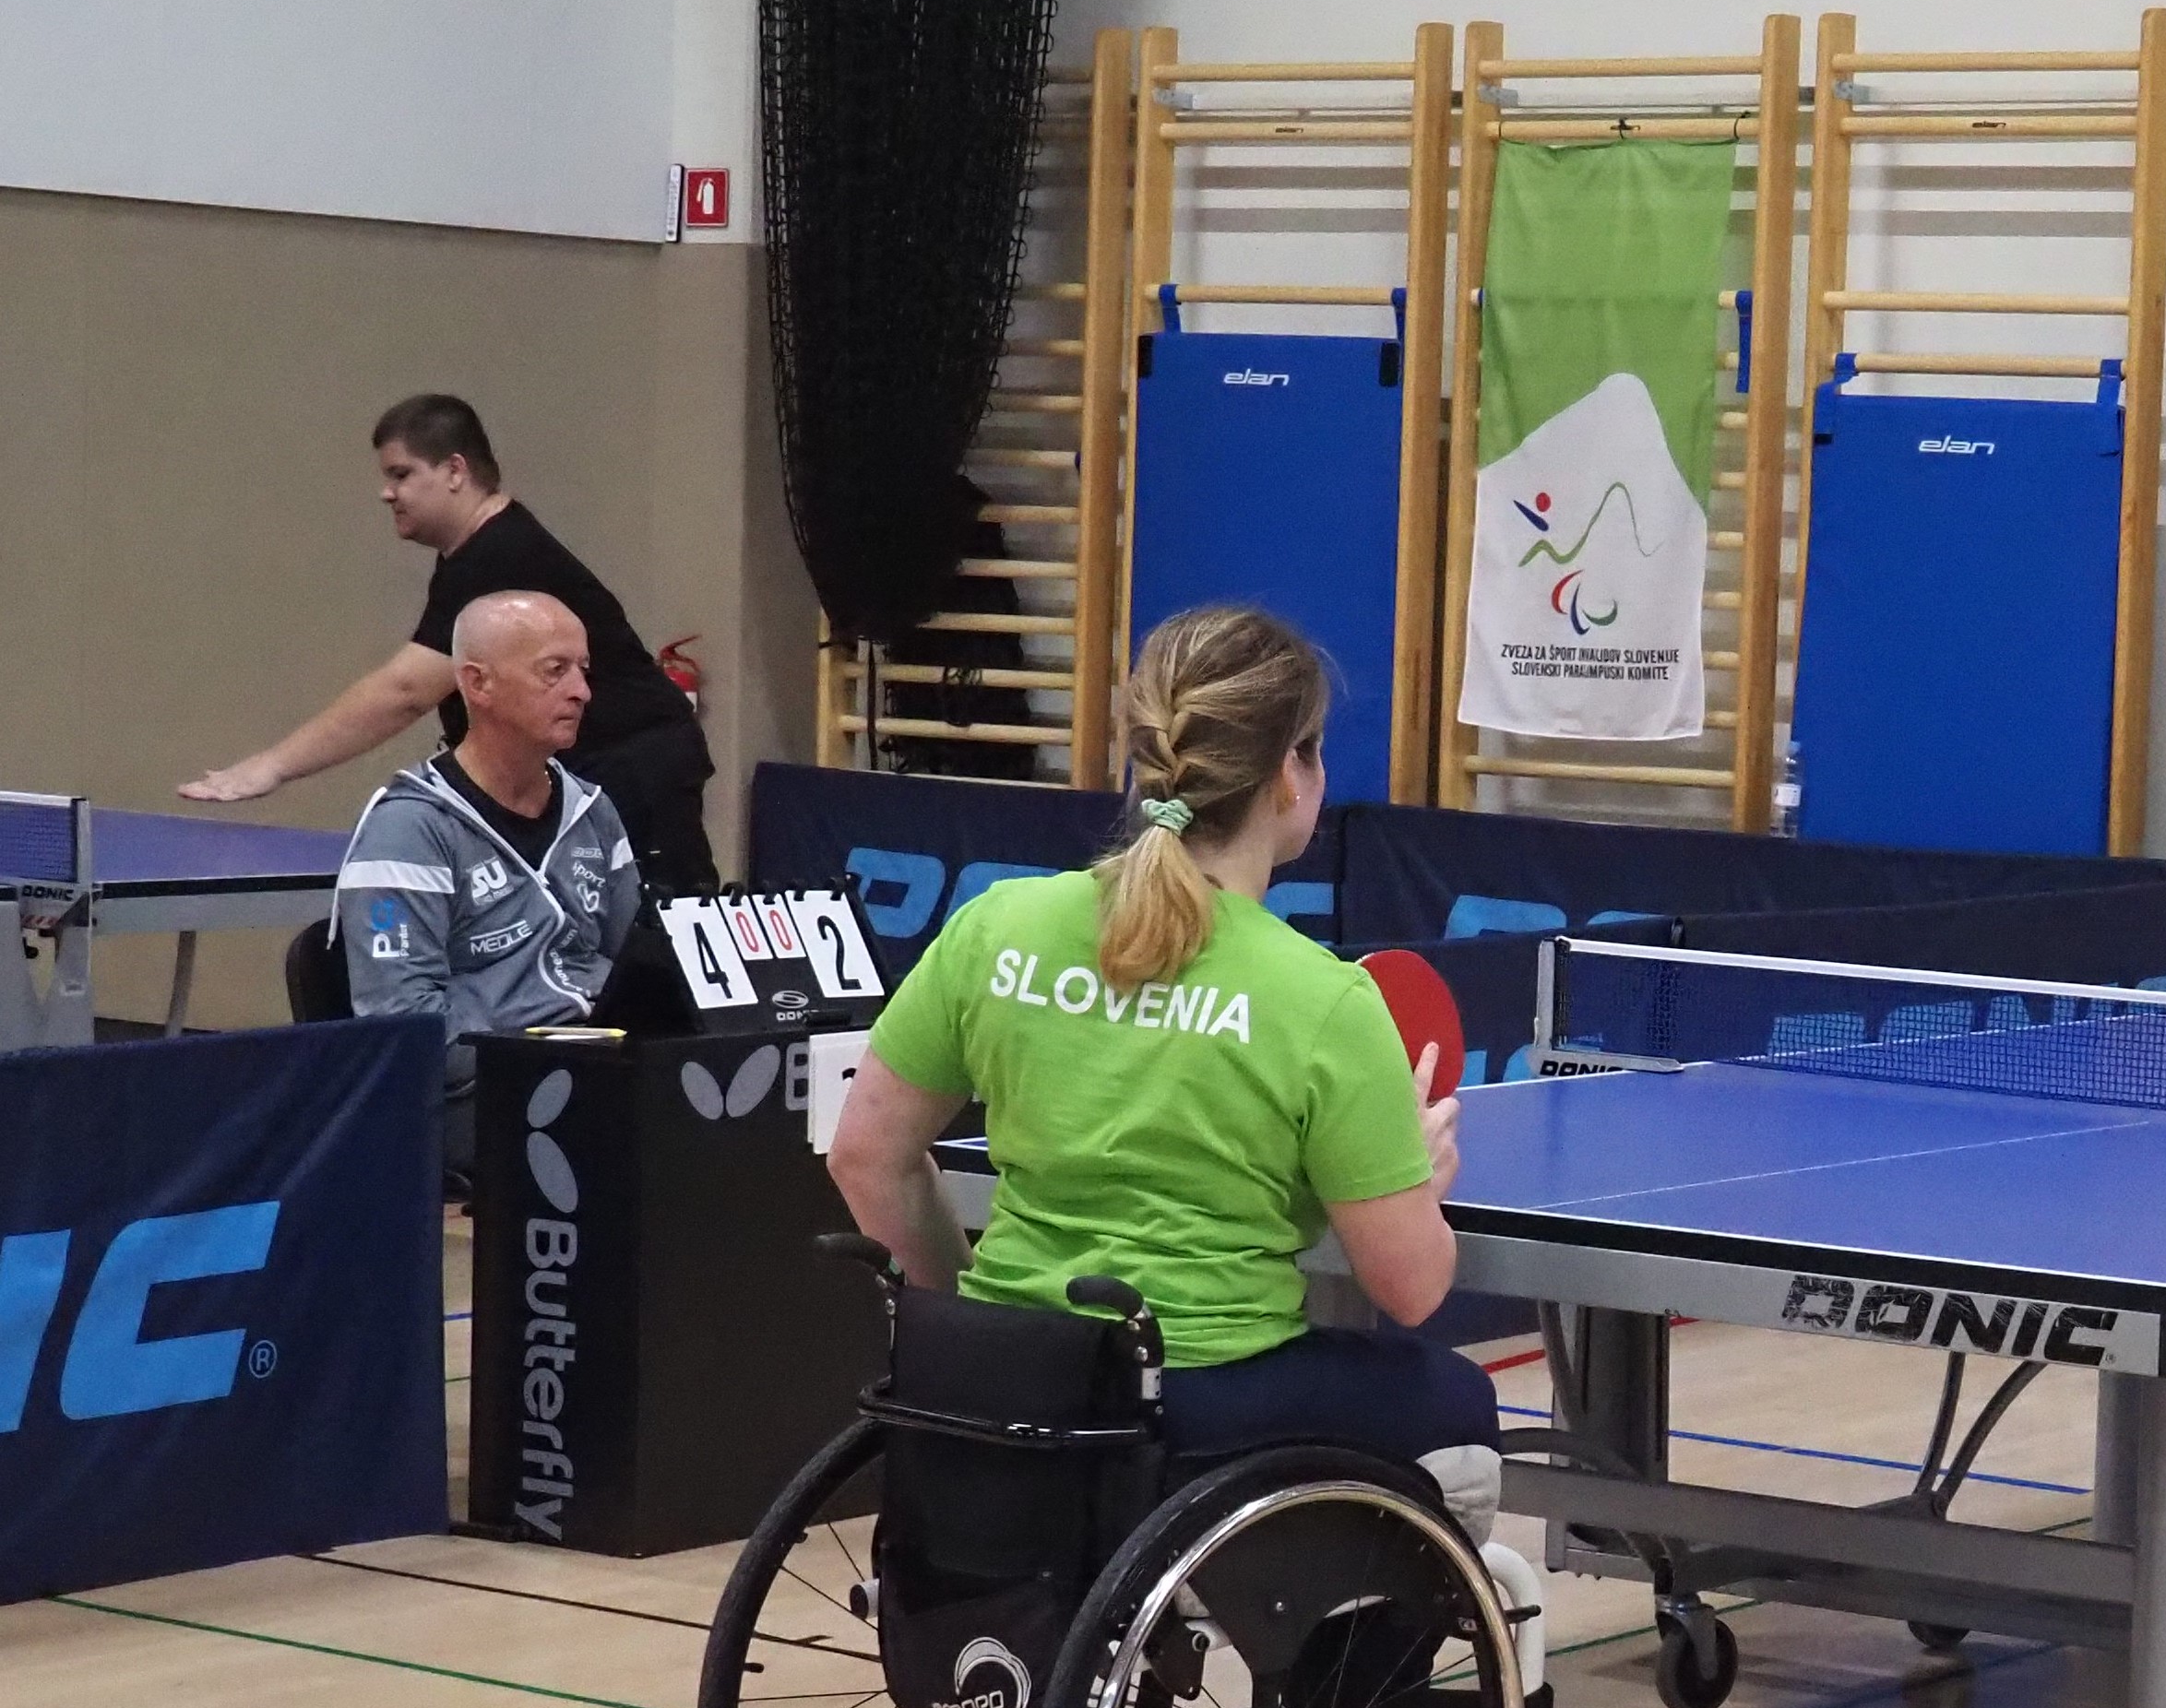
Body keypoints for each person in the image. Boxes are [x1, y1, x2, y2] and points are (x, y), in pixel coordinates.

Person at [825, 601, 1489, 1473]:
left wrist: (973, 1329)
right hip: (1199, 1395)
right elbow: (1411, 1290)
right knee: (1457, 1402)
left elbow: (865, 1155)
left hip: (1004, 1379)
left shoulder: (996, 925)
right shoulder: (1325, 999)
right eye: (1316, 748)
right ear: (1289, 777)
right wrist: (1418, 1183)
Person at [182, 393, 720, 896]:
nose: (387, 493)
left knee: (650, 939)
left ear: (456, 471)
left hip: (634, 775)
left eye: (401, 474)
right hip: (598, 773)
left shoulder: (499, 554)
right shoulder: (473, 555)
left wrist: (271, 767)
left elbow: (405, 692)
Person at [333, 593, 642, 1185]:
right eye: (555, 671)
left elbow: (637, 969)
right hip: (473, 1101)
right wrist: (558, 1033)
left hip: (597, 1068)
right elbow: (404, 1031)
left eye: (583, 670)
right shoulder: (409, 828)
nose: (581, 691)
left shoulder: (594, 812)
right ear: (478, 684)